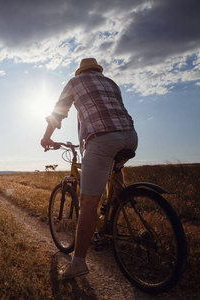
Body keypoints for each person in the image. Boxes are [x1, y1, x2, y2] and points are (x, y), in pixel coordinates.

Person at [41, 58, 138, 279]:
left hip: (102, 139)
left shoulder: (75, 83)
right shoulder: (111, 83)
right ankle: (113, 212)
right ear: (98, 70)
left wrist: (47, 137)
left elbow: (59, 112)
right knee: (114, 167)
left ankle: (78, 263)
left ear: (80, 72)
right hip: (130, 138)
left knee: (87, 204)